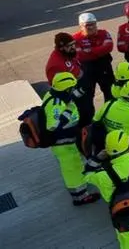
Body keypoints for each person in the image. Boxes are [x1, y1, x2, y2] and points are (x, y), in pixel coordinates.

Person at [41, 72, 101, 206]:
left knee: (76, 164)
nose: (74, 90)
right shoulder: (57, 104)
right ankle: (80, 196)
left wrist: (80, 92)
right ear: (66, 89)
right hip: (63, 144)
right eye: (72, 88)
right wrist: (69, 111)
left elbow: (68, 98)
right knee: (72, 169)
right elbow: (53, 126)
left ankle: (82, 184)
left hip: (68, 142)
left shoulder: (54, 94)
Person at [74, 12, 115, 105]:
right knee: (87, 96)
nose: (91, 27)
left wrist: (89, 51)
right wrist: (99, 51)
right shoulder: (75, 38)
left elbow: (108, 47)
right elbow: (80, 55)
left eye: (93, 24)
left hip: (104, 68)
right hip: (86, 71)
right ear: (80, 26)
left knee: (110, 92)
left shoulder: (104, 33)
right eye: (87, 25)